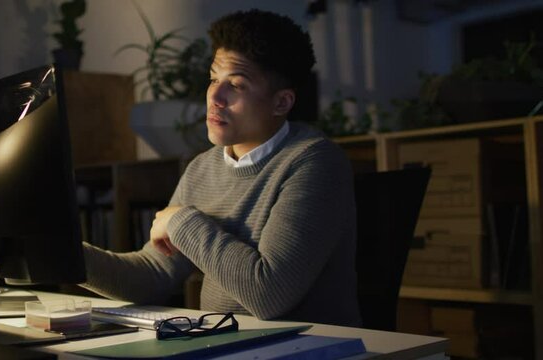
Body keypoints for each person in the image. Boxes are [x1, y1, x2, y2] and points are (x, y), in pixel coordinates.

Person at [80, 8, 360, 326]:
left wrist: (181, 222)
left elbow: (269, 294)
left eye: (236, 85)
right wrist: (65, 256)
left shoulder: (314, 162)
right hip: (223, 343)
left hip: (306, 348)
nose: (215, 96)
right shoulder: (204, 168)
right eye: (214, 79)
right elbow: (152, 275)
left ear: (281, 103)